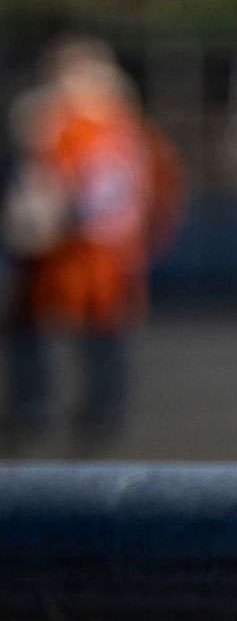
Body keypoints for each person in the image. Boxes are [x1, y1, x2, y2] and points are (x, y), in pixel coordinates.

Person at [4, 36, 184, 453]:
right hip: (97, 242)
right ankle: (78, 404)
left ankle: (74, 404)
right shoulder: (118, 123)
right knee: (63, 323)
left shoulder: (74, 124)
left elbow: (71, 186)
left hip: (85, 243)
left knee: (90, 324)